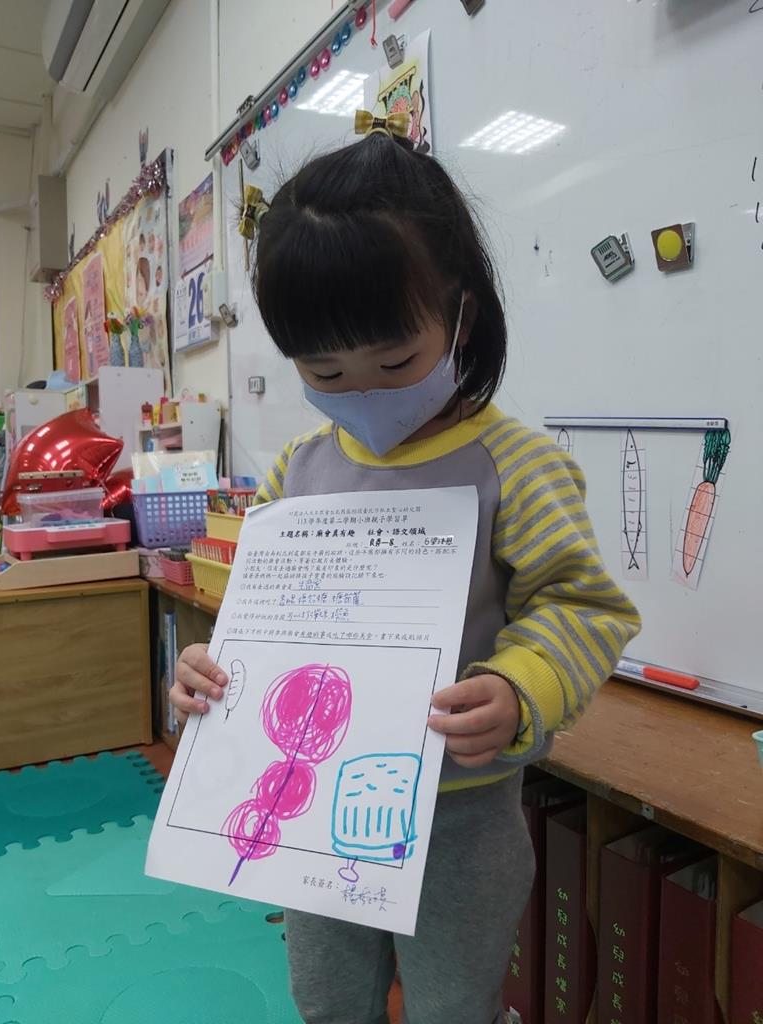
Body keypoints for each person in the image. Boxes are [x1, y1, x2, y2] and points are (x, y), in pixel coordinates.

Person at [171, 111, 641, 1024]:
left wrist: (521, 685)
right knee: (327, 1000)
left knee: (453, 1007)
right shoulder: (299, 468)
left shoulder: (516, 466)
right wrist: (207, 674)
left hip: (460, 815)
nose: (365, 393)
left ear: (462, 314)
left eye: (395, 360)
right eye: (326, 373)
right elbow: (261, 619)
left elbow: (584, 607)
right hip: (308, 803)